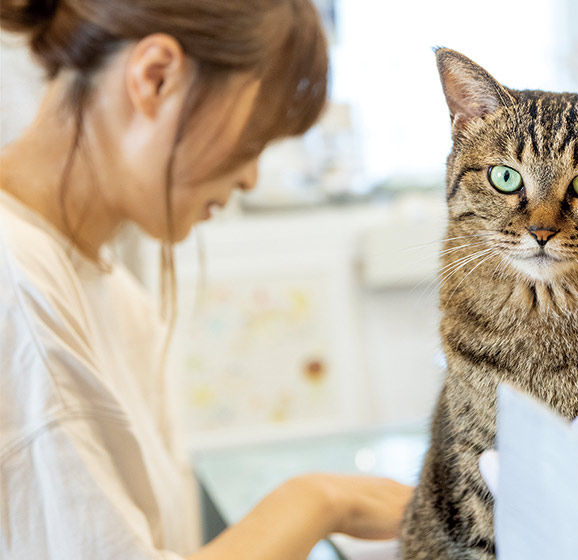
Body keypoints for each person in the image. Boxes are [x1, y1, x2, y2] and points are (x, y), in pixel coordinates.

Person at [0, 1, 413, 558]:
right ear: (155, 78)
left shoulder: (107, 290)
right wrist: (321, 500)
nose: (249, 177)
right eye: (254, 140)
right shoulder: (20, 292)